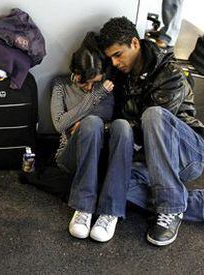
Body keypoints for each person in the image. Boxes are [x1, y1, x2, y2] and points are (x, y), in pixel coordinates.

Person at [95, 16, 204, 246]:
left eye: (117, 55)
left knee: (153, 115)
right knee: (114, 184)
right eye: (110, 57)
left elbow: (149, 129)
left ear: (134, 43)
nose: (114, 63)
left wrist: (111, 129)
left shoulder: (169, 72)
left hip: (188, 153)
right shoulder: (122, 76)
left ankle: (170, 207)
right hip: (150, 159)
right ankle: (201, 202)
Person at [50, 35, 116, 242]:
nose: (90, 88)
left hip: (98, 154)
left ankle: (90, 211)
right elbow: (60, 124)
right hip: (68, 154)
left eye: (95, 83)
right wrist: (94, 98)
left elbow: (106, 122)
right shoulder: (60, 85)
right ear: (75, 74)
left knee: (92, 124)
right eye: (86, 82)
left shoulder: (106, 88)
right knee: (91, 123)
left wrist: (82, 124)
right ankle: (83, 207)